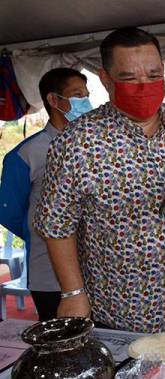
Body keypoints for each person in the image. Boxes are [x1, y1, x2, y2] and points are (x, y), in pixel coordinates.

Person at [34, 28, 165, 339]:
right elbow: (56, 226)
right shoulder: (77, 142)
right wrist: (72, 293)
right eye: (130, 78)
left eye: (153, 74)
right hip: (124, 311)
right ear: (105, 79)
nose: (144, 86)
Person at [0, 68, 93, 321]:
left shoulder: (95, 145)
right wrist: (51, 236)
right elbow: (10, 213)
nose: (86, 101)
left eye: (86, 94)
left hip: (100, 272)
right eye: (77, 95)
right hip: (51, 275)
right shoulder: (26, 154)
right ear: (54, 100)